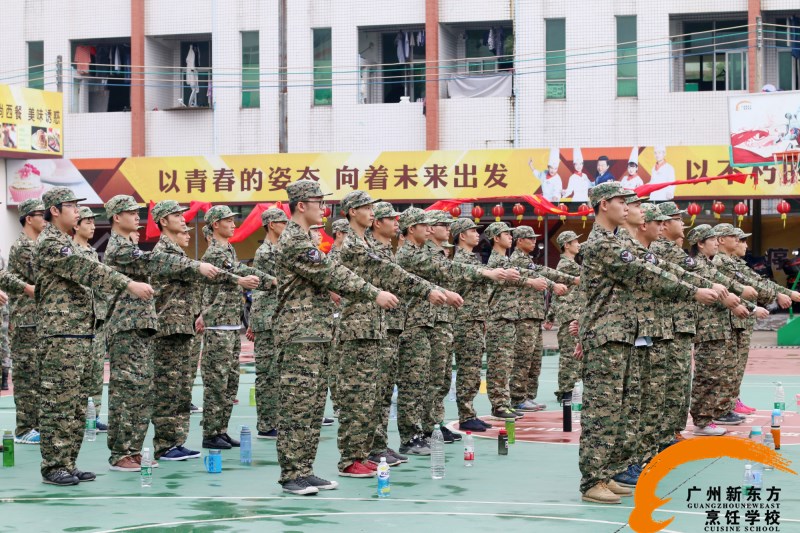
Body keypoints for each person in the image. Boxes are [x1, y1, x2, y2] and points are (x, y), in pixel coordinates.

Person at [575, 182, 720, 505]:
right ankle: (591, 479)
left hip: (622, 334)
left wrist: (700, 286)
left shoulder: (614, 241)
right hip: (605, 335)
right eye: (620, 201)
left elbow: (657, 266)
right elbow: (644, 272)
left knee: (620, 409)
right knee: (603, 411)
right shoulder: (601, 244)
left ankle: (607, 473)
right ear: (603, 205)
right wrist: (693, 291)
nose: (626, 207)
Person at [272, 179, 399, 496]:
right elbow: (332, 273)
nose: (324, 207)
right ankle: (292, 474)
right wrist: (374, 293)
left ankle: (305, 470)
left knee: (313, 408)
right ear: (302, 205)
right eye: (318, 202)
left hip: (315, 334)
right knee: (297, 408)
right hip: (298, 334)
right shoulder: (295, 241)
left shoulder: (305, 239)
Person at [36, 187, 154, 486]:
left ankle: (67, 462)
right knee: (59, 402)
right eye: (72, 206)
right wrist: (127, 283)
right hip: (61, 333)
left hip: (81, 332)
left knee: (76, 403)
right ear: (54, 210)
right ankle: (53, 465)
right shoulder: (51, 243)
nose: (78, 211)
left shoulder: (68, 243)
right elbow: (87, 269)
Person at [102, 194, 221, 472]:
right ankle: (121, 453)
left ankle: (130, 451)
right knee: (127, 391)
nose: (136, 216)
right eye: (130, 212)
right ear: (117, 217)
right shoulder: (120, 248)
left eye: (136, 211)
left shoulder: (128, 244)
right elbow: (157, 262)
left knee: (140, 392)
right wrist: (197, 266)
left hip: (141, 326)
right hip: (126, 326)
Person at [334, 191, 446, 478]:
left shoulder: (363, 243)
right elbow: (385, 270)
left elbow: (389, 270)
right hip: (358, 328)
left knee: (373, 395)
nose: (371, 212)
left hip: (374, 326)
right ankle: (351, 457)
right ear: (350, 212)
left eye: (373, 207)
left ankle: (364, 452)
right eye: (366, 208)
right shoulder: (352, 246)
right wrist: (427, 289)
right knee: (358, 396)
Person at [199, 205, 272, 450]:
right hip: (217, 325)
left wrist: (266, 278)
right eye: (228, 220)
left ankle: (221, 429)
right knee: (217, 382)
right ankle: (210, 433)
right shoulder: (213, 253)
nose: (233, 224)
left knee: (230, 382)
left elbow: (240, 269)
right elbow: (220, 274)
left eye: (233, 220)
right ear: (215, 224)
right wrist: (239, 280)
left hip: (230, 324)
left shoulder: (228, 249)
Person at [713, 223, 799, 416]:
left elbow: (757, 281)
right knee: (727, 366)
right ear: (721, 240)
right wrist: (780, 294)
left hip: (738, 318)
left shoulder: (734, 263)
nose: (741, 243)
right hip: (727, 319)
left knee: (735, 365)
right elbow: (750, 284)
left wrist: (784, 292)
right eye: (738, 238)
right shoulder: (721, 262)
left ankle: (732, 400)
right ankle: (725, 405)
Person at [685, 224, 755, 438]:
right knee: (707, 376)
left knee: (716, 374)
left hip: (718, 327)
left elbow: (727, 285)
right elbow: (721, 287)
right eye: (712, 239)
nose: (716, 243)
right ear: (700, 243)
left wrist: (747, 304)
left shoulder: (707, 265)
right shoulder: (696, 265)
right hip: (707, 328)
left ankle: (711, 415)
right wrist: (740, 301)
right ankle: (703, 419)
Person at [484, 222, 551, 420]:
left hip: (511, 317)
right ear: (496, 238)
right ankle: (501, 404)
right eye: (506, 234)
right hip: (500, 317)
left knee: (507, 364)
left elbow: (530, 274)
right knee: (500, 364)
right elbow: (518, 277)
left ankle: (506, 402)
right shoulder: (497, 261)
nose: (510, 237)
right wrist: (532, 282)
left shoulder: (506, 259)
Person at [366, 201, 411, 464]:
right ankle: (373, 446)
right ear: (377, 222)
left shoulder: (388, 250)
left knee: (384, 392)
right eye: (391, 219)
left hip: (391, 327)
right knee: (375, 390)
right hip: (376, 327)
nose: (397, 223)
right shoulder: (372, 250)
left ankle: (380, 443)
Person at [509, 225, 572, 412]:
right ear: (519, 241)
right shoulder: (516, 260)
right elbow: (537, 275)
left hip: (534, 315)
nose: (534, 241)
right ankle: (518, 398)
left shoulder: (527, 260)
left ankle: (528, 396)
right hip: (524, 315)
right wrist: (555, 285)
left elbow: (542, 272)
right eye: (530, 238)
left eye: (535, 238)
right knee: (523, 358)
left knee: (534, 360)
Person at [248, 207, 289, 440]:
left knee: (276, 372)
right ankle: (266, 424)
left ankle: (273, 420)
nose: (286, 226)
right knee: (267, 374)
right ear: (271, 224)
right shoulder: (266, 252)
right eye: (283, 222)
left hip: (275, 317)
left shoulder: (277, 249)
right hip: (267, 319)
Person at [450, 218, 492, 432]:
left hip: (475, 320)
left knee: (473, 370)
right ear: (462, 236)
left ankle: (469, 413)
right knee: (468, 370)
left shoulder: (472, 259)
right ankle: (465, 415)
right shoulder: (460, 260)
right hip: (464, 321)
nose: (477, 234)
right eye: (472, 231)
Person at [71, 207, 110, 435]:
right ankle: (78, 419)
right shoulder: (71, 252)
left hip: (98, 322)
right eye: (87, 222)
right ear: (76, 225)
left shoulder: (92, 252)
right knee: (79, 375)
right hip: (80, 322)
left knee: (96, 374)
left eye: (94, 222)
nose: (93, 226)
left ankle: (92, 418)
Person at [7, 199, 42, 444]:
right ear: (28, 218)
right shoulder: (24, 246)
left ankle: (35, 424)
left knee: (38, 375)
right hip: (26, 319)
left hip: (38, 319)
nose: (45, 220)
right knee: (27, 375)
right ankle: (24, 428)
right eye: (41, 215)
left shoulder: (37, 244)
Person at [545, 231, 583, 402]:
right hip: (570, 314)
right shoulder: (567, 265)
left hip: (575, 313)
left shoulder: (571, 264)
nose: (578, 244)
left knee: (574, 353)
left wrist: (550, 316)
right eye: (574, 241)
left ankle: (569, 388)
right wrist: (550, 317)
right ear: (566, 245)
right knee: (569, 354)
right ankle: (565, 390)